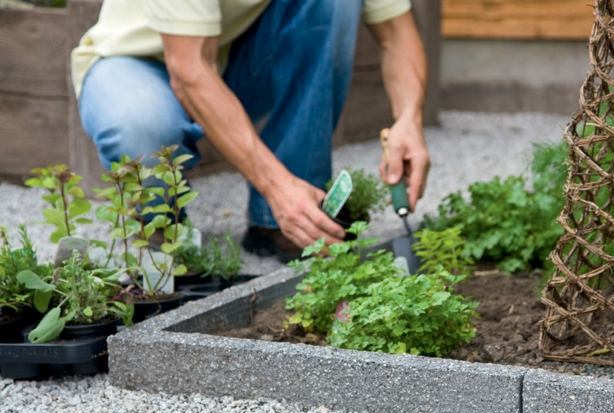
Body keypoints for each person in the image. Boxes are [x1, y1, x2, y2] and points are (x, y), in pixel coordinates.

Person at [71, 0, 431, 258]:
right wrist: (276, 186)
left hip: (236, 59)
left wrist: (408, 120)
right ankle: (162, 235)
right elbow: (189, 70)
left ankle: (290, 219)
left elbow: (395, 34)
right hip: (137, 61)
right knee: (142, 122)